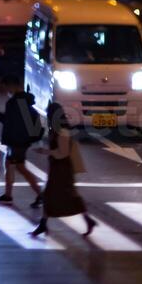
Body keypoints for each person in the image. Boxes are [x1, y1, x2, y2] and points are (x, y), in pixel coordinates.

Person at [30, 102, 96, 238]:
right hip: (58, 167)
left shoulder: (62, 132)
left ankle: (44, 224)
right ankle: (87, 221)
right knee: (64, 195)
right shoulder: (57, 130)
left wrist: (45, 151)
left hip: (62, 169)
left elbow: (63, 153)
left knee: (57, 195)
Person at [0, 87, 44, 205]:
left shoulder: (17, 107)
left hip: (17, 143)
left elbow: (12, 123)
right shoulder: (30, 109)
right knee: (15, 166)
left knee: (17, 166)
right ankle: (9, 194)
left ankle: (39, 194)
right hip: (21, 143)